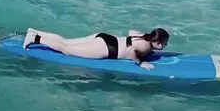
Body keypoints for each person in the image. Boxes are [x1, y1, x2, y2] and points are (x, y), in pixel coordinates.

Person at [23, 27, 170, 70]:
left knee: (66, 42)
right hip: (106, 48)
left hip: (105, 37)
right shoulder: (145, 46)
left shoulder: (144, 37)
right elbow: (130, 51)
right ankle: (35, 39)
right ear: (157, 43)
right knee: (66, 49)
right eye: (164, 43)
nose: (165, 46)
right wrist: (140, 62)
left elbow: (131, 31)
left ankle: (35, 32)